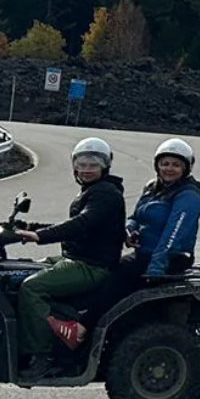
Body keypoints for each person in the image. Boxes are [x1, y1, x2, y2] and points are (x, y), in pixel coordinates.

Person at [14, 136, 126, 379]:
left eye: (93, 165)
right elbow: (73, 224)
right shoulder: (93, 191)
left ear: (105, 166)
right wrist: (26, 226)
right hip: (77, 259)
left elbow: (81, 224)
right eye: (81, 164)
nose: (86, 169)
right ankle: (50, 328)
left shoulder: (106, 194)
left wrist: (38, 236)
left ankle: (43, 356)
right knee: (22, 270)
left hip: (91, 266)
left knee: (31, 288)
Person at [122, 138, 200, 282]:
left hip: (171, 259)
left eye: (176, 165)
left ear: (185, 168)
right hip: (144, 253)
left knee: (112, 286)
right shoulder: (153, 188)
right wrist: (130, 229)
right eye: (164, 164)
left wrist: (156, 267)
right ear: (157, 166)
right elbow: (135, 217)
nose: (169, 169)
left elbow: (174, 233)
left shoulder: (189, 195)